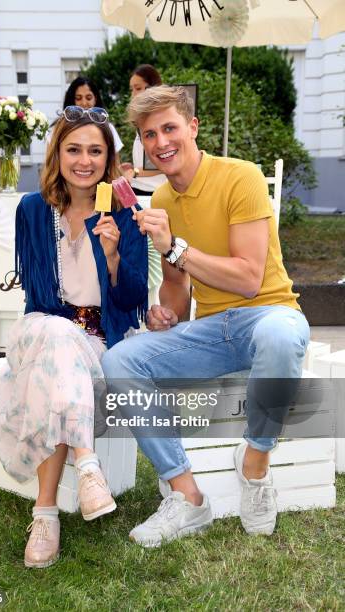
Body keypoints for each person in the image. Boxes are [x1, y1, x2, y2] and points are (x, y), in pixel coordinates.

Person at [102, 85, 310, 547]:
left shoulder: (242, 177)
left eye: (169, 128)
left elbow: (249, 278)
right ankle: (187, 496)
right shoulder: (162, 203)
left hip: (268, 314)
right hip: (213, 330)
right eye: (149, 134)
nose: (161, 142)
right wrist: (165, 315)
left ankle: (254, 466)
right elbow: (178, 289)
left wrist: (175, 246)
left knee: (279, 335)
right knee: (120, 360)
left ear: (193, 128)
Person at [0, 106, 148, 568]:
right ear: (57, 153)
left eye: (96, 151)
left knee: (57, 362)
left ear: (109, 158)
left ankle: (45, 516)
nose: (85, 160)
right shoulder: (34, 210)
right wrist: (57, 325)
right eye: (74, 149)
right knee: (56, 337)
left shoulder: (124, 212)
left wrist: (114, 256)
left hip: (96, 336)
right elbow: (36, 297)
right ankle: (88, 468)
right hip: (40, 328)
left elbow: (134, 298)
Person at [121, 64, 166, 198]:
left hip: (155, 193)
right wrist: (134, 167)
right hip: (139, 190)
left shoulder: (159, 119)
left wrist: (134, 172)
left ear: (152, 88)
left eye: (138, 88)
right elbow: (149, 161)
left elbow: (163, 161)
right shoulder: (142, 119)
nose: (133, 94)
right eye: (132, 89)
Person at [63, 76, 124, 154]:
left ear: (95, 98)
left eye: (88, 98)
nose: (84, 103)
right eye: (78, 98)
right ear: (72, 100)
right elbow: (50, 163)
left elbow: (115, 163)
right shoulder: (60, 128)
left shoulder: (108, 128)